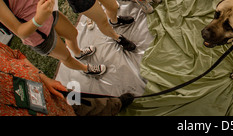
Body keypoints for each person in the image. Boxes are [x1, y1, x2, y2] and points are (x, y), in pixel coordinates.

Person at [0, 42, 134, 116]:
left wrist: (43, 77)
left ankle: (114, 105)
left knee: (84, 103)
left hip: (53, 94)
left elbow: (16, 55)